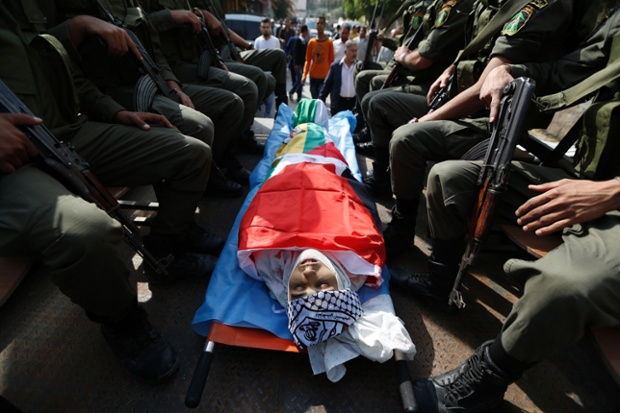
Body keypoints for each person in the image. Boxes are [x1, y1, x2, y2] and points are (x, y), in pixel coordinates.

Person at [409, 8, 620, 411]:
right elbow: (568, 69)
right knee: (450, 178)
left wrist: (613, 192)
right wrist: (510, 72)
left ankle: (485, 383)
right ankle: (441, 285)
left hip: (609, 196)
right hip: (585, 176)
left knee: (563, 283)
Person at [0, 0, 216, 383]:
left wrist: (115, 112)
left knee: (190, 152)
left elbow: (69, 78)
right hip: (13, 166)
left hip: (64, 134)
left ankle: (167, 246)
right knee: (88, 230)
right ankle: (121, 320)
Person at [373, 0, 600, 258]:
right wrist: (452, 68)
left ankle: (408, 237)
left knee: (407, 137)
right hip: (473, 107)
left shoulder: (541, 5)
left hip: (497, 120)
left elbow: (485, 86)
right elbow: (480, 52)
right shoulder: (495, 4)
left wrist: (426, 119)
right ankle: (404, 226)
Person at [236, 100, 415, 382]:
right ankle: (314, 124)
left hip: (288, 168)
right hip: (326, 167)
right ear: (342, 284)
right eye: (322, 284)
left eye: (297, 287)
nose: (307, 272)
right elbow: (356, 208)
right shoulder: (358, 261)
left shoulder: (272, 262)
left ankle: (303, 125)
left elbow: (258, 218)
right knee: (318, 132)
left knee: (301, 134)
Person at [53, 0, 246, 197]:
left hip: (148, 82)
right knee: (199, 126)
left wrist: (172, 87)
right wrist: (82, 24)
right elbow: (55, 53)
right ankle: (198, 184)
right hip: (108, 92)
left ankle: (213, 169)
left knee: (222, 108)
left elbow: (154, 53)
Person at [143, 0, 261, 161]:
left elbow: (204, 33)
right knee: (241, 93)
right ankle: (219, 161)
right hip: (172, 69)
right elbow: (144, 31)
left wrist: (216, 58)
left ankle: (227, 153)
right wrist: (171, 16)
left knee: (251, 84)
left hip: (196, 62)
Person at [319, 40, 358, 115]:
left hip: (353, 105)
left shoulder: (359, 67)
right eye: (352, 50)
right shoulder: (336, 66)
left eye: (356, 51)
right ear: (345, 52)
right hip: (338, 104)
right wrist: (321, 100)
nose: (354, 53)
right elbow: (327, 85)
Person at [302, 16, 334, 99]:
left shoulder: (329, 43)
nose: (319, 25)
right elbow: (307, 60)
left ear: (324, 26)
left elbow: (331, 61)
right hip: (313, 77)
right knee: (314, 100)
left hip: (324, 78)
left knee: (320, 100)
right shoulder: (311, 42)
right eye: (318, 23)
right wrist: (304, 75)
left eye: (321, 23)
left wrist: (331, 78)